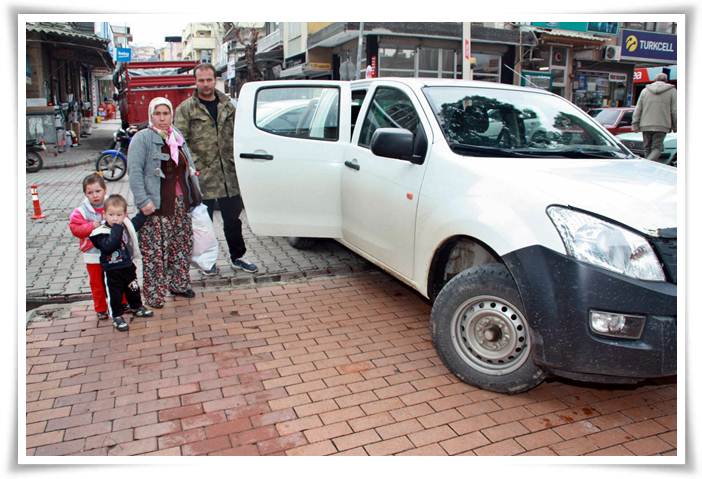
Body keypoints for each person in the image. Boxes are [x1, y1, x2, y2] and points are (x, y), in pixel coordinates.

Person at [175, 63, 258, 276]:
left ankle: (238, 257)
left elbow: (241, 135)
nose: (205, 84)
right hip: (202, 177)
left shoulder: (229, 105)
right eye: (201, 80)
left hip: (229, 175)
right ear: (195, 81)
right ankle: (207, 262)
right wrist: (192, 169)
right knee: (204, 223)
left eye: (209, 79)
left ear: (215, 80)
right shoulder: (186, 109)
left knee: (233, 220)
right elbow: (179, 143)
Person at [128, 97, 203, 309]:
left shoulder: (176, 136)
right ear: (151, 116)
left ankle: (178, 284)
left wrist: (195, 193)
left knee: (181, 246)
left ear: (171, 115)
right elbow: (134, 173)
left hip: (180, 202)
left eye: (166, 113)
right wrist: (143, 201)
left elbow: (189, 165)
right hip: (156, 206)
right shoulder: (142, 139)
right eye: (157, 114)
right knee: (155, 253)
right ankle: (154, 295)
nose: (162, 118)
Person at [89, 195, 153, 331]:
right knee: (115, 294)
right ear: (104, 214)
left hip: (127, 266)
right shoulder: (100, 232)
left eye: (119, 215)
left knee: (133, 289)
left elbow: (136, 223)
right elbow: (109, 246)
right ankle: (117, 316)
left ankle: (136, 307)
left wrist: (143, 213)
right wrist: (117, 229)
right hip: (112, 270)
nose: (115, 218)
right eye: (111, 214)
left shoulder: (126, 225)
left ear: (124, 215)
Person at [69, 173, 113, 320]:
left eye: (98, 191)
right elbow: (75, 228)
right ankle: (101, 308)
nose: (94, 195)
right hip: (92, 254)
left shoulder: (112, 204)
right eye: (90, 192)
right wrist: (90, 226)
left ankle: (121, 303)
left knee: (116, 278)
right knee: (97, 283)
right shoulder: (81, 211)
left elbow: (123, 218)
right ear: (85, 194)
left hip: (112, 251)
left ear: (105, 190)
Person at [632, 72, 677, 162]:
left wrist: (635, 123)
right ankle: (647, 165)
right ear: (666, 81)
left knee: (647, 147)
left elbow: (638, 108)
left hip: (645, 124)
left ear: (655, 80)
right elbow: (674, 110)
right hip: (662, 125)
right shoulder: (672, 91)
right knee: (657, 148)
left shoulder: (645, 91)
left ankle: (647, 167)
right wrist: (675, 126)